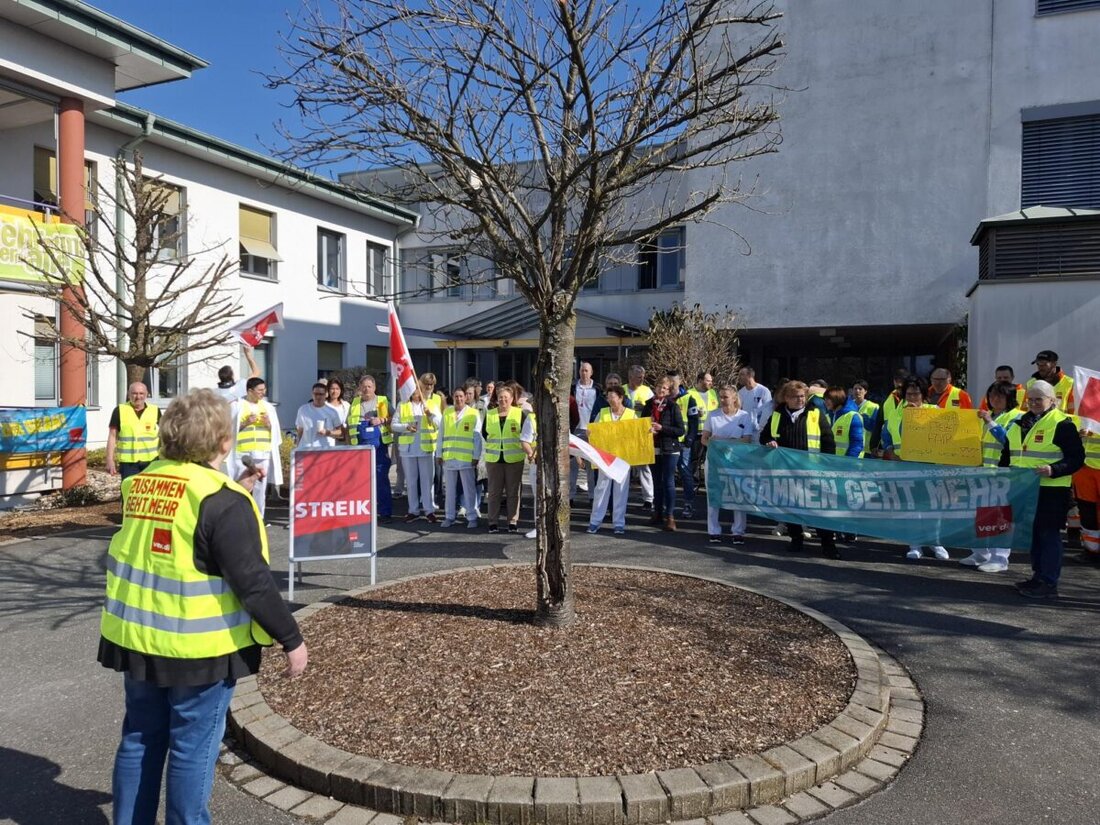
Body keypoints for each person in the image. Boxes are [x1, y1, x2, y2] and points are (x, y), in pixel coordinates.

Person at [98, 389, 307, 825]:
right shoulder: (223, 501)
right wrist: (290, 637)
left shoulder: (141, 484)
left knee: (140, 737)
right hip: (198, 650)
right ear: (223, 442)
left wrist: (237, 489)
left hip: (135, 638)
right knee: (192, 749)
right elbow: (252, 581)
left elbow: (176, 536)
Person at [1001, 380, 1084, 598]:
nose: (1035, 403)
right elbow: (1007, 454)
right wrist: (1002, 474)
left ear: (1052, 400)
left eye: (1040, 399)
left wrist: (1053, 469)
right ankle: (1037, 577)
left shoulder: (1062, 424)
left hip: (1052, 490)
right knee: (1034, 534)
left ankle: (1048, 582)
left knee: (1048, 534)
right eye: (1031, 399)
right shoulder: (1020, 421)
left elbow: (1077, 458)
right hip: (1024, 488)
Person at [760, 380, 840, 559]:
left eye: (803, 396)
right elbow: (764, 436)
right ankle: (796, 539)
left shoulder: (815, 414)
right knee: (791, 507)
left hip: (812, 469)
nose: (801, 400)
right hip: (787, 471)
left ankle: (828, 543)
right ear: (786, 398)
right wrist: (769, 441)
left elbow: (828, 441)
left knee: (819, 509)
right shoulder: (777, 415)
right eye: (796, 397)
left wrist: (826, 465)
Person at [880, 377, 949, 561]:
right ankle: (915, 543)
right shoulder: (896, 412)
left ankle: (936, 543)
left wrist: (918, 415)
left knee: (933, 506)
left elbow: (943, 435)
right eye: (909, 394)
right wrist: (890, 451)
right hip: (905, 464)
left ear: (924, 394)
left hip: (930, 466)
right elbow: (886, 435)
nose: (912, 397)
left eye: (916, 393)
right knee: (911, 506)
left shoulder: (934, 411)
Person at [971, 381, 1025, 572]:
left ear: (1010, 399)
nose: (994, 399)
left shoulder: (1017, 417)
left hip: (1002, 474)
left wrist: (990, 423)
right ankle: (980, 553)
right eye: (992, 395)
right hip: (983, 472)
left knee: (1001, 517)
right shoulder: (986, 416)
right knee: (981, 515)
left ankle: (1000, 558)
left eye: (1000, 396)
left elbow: (1008, 440)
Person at [702, 385, 754, 544]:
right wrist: (713, 443)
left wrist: (723, 442)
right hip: (715, 461)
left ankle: (738, 531)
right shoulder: (713, 415)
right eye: (721, 397)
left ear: (734, 398)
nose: (723, 400)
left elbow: (746, 439)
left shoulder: (744, 416)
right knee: (713, 494)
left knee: (738, 494)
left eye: (726, 397)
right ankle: (713, 530)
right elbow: (704, 439)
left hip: (736, 462)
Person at [482, 383, 534, 533]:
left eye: (506, 397)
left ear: (512, 399)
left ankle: (512, 521)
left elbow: (526, 435)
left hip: (514, 459)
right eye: (500, 398)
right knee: (494, 492)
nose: (503, 400)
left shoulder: (520, 414)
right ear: (497, 399)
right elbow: (485, 433)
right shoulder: (490, 414)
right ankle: (493, 522)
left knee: (513, 492)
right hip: (494, 459)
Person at [228, 377, 283, 519]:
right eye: (259, 390)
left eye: (264, 390)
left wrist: (268, 424)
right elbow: (228, 430)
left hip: (263, 452)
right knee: (240, 485)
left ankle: (259, 517)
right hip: (243, 453)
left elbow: (276, 432)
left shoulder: (268, 407)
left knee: (260, 488)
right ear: (249, 391)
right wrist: (245, 423)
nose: (262, 393)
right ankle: (238, 516)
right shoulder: (237, 406)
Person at [587, 386, 634, 535]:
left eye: (612, 396)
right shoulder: (603, 413)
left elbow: (637, 434)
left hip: (623, 458)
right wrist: (590, 433)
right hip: (605, 458)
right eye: (608, 397)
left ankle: (619, 523)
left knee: (621, 490)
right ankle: (595, 522)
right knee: (601, 489)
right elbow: (593, 431)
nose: (610, 400)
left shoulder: (631, 414)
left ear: (620, 398)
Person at [346, 374, 393, 523]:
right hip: (360, 449)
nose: (366, 389)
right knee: (361, 482)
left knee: (381, 481)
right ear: (360, 387)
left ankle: (384, 513)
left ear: (374, 388)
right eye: (364, 386)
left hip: (379, 448)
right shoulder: (354, 404)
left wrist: (383, 419)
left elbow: (395, 418)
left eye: (369, 386)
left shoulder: (383, 401)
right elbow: (348, 427)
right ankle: (364, 513)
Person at [641, 376, 685, 531]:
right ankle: (657, 513)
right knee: (656, 482)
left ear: (668, 391)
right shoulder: (648, 405)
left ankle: (670, 516)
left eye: (665, 388)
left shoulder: (672, 406)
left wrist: (662, 428)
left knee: (668, 481)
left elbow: (680, 430)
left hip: (670, 448)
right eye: (659, 386)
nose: (661, 390)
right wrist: (647, 429)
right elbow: (641, 426)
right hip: (653, 447)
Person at [391, 387, 442, 522]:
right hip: (408, 449)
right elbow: (393, 425)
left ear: (422, 391)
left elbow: (440, 424)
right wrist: (406, 427)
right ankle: (413, 510)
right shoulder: (402, 405)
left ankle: (429, 510)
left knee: (427, 481)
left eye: (417, 390)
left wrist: (430, 414)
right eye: (412, 391)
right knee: (411, 481)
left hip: (426, 447)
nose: (415, 394)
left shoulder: (430, 404)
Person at [437, 386, 482, 529]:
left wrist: (476, 456)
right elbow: (441, 435)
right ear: (452, 397)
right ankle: (449, 516)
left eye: (461, 396)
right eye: (456, 396)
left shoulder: (473, 413)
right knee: (449, 490)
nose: (459, 399)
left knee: (469, 489)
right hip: (449, 457)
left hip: (466, 458)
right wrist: (439, 454)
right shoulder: (447, 412)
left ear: (466, 397)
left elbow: (477, 438)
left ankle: (472, 517)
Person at [106, 382, 160, 480]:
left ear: (146, 394)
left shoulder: (155, 410)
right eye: (134, 393)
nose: (138, 396)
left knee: (150, 494)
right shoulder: (119, 410)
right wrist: (110, 459)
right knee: (129, 493)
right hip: (129, 464)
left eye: (141, 393)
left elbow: (166, 433)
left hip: (151, 462)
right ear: (128, 394)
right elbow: (112, 436)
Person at [570, 362, 603, 500]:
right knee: (572, 465)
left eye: (586, 371)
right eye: (582, 370)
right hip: (575, 429)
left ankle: (592, 495)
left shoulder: (598, 388)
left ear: (591, 372)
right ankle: (570, 496)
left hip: (591, 430)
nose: (584, 373)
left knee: (591, 465)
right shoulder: (572, 387)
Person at [625, 365, 655, 511]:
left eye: (643, 376)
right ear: (630, 377)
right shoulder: (622, 390)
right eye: (639, 376)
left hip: (641, 433)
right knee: (624, 466)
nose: (642, 379)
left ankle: (649, 498)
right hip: (624, 432)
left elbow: (653, 411)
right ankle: (623, 498)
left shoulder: (647, 391)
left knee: (643, 466)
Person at [296, 382, 344, 448]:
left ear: (326, 395)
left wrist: (328, 432)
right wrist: (297, 448)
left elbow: (341, 432)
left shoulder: (332, 411)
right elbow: (300, 431)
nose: (318, 397)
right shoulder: (303, 410)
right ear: (312, 394)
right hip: (306, 449)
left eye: (321, 394)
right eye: (315, 394)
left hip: (325, 449)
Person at [824, 386, 865, 458]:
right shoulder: (828, 416)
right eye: (825, 399)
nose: (825, 402)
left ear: (836, 399)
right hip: (831, 462)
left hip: (848, 465)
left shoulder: (853, 416)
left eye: (828, 399)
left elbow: (857, 445)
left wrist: (847, 463)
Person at [737, 366, 774, 433]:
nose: (739, 377)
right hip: (745, 429)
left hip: (759, 430)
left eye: (741, 374)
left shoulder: (763, 391)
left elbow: (768, 410)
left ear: (749, 375)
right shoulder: (740, 392)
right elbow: (738, 410)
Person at [851, 380, 881, 452]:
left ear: (865, 391)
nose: (857, 391)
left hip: (867, 450)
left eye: (860, 389)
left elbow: (876, 428)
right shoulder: (847, 406)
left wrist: (864, 419)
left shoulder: (873, 407)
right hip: (851, 448)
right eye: (855, 389)